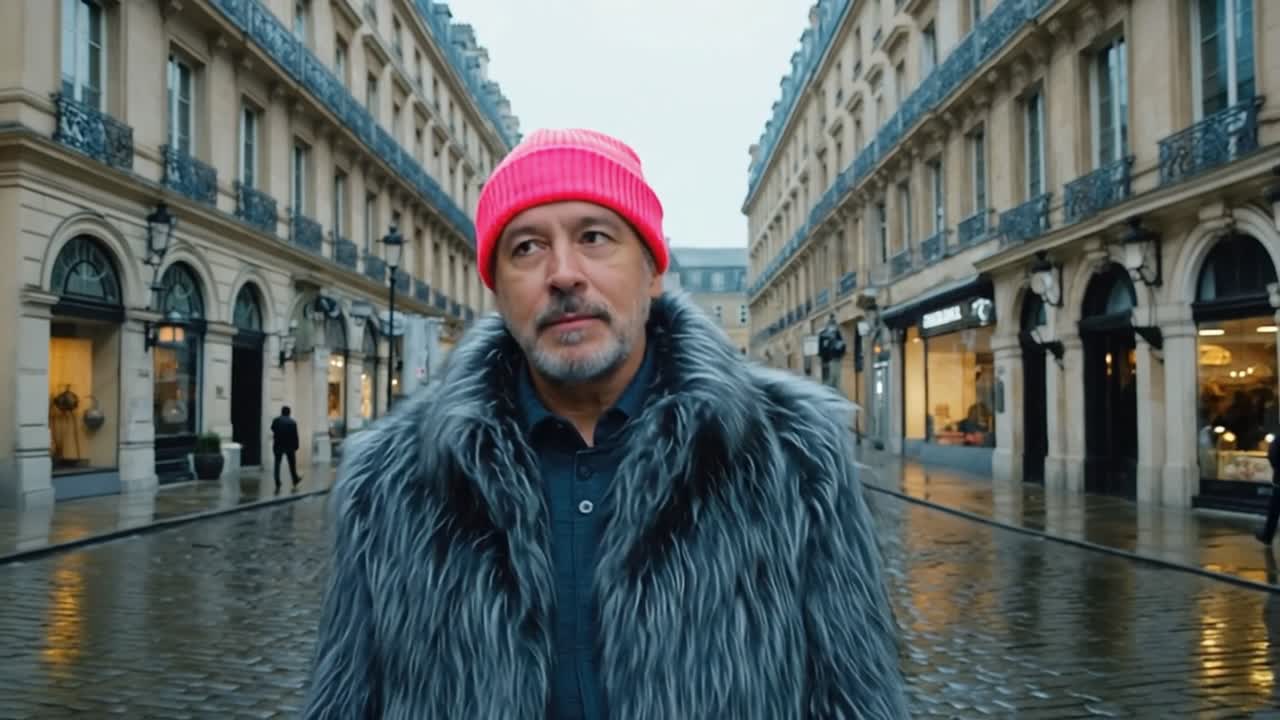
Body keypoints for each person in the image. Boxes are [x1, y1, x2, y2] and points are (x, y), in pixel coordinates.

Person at [302, 129, 908, 719]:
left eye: (594, 237)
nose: (563, 273)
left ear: (651, 272)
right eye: (527, 248)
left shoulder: (797, 458)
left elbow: (857, 696)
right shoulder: (387, 482)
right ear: (498, 292)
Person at [269, 406, 301, 491]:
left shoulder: (276, 420)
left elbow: (272, 428)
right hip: (290, 446)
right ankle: (295, 479)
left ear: (282, 412)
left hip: (278, 444)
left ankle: (277, 481)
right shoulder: (292, 422)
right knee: (292, 464)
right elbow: (295, 436)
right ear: (289, 412)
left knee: (277, 464)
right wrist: (296, 445)